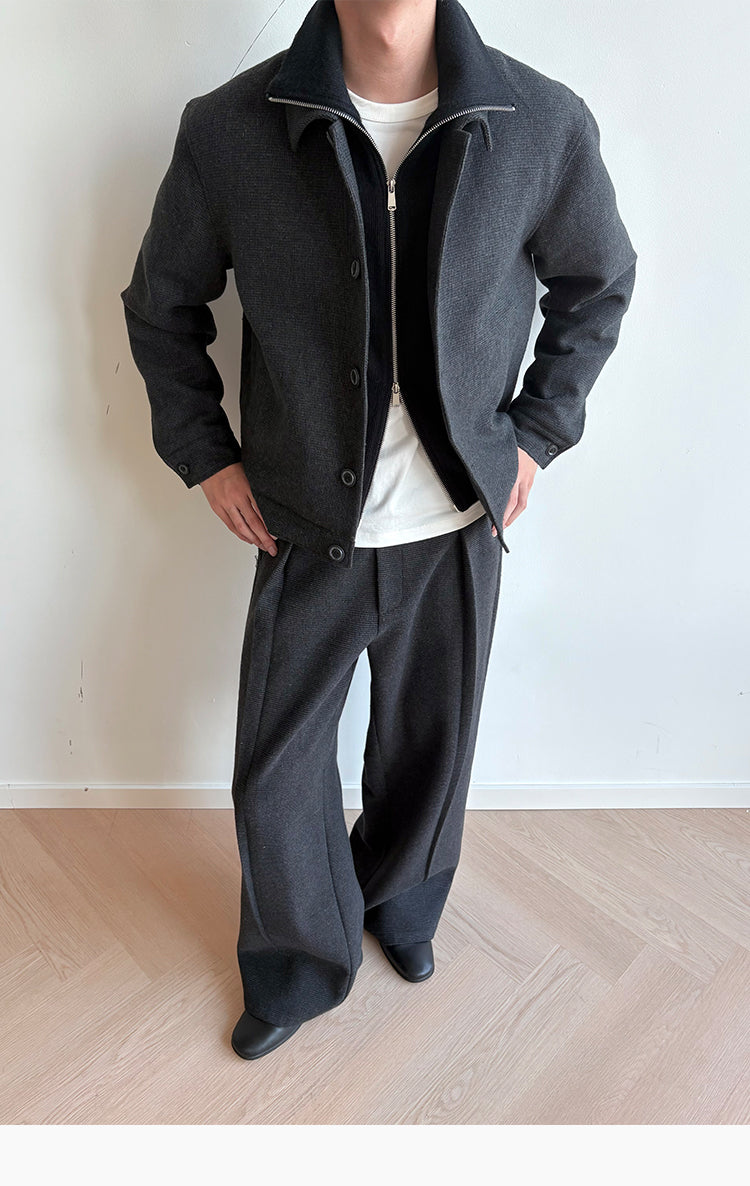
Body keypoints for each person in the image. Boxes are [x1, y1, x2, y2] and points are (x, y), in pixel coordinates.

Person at [120, 0, 637, 1060]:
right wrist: (207, 453)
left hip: (457, 524)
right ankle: (300, 959)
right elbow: (161, 305)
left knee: (429, 748)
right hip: (305, 525)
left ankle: (401, 904)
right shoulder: (230, 129)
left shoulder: (540, 123)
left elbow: (597, 285)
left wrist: (537, 436)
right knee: (277, 771)